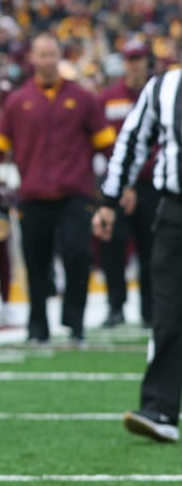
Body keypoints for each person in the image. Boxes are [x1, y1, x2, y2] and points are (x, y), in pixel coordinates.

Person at [0, 32, 116, 346]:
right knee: (35, 262)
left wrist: (120, 183)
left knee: (78, 255)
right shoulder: (18, 101)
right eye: (42, 54)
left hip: (75, 194)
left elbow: (107, 144)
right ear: (32, 59)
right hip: (34, 195)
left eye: (52, 54)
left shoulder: (83, 98)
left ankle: (74, 323)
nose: (48, 60)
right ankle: (38, 328)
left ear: (60, 57)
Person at [95, 64, 182, 443]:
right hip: (176, 210)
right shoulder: (165, 86)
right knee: (168, 310)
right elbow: (132, 142)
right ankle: (160, 408)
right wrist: (110, 200)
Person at [94, 37, 156, 326]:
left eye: (138, 58)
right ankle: (115, 306)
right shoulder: (107, 98)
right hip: (115, 184)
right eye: (129, 59)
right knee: (112, 245)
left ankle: (149, 309)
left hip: (151, 183)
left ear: (146, 61)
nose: (134, 64)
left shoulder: (158, 94)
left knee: (151, 247)